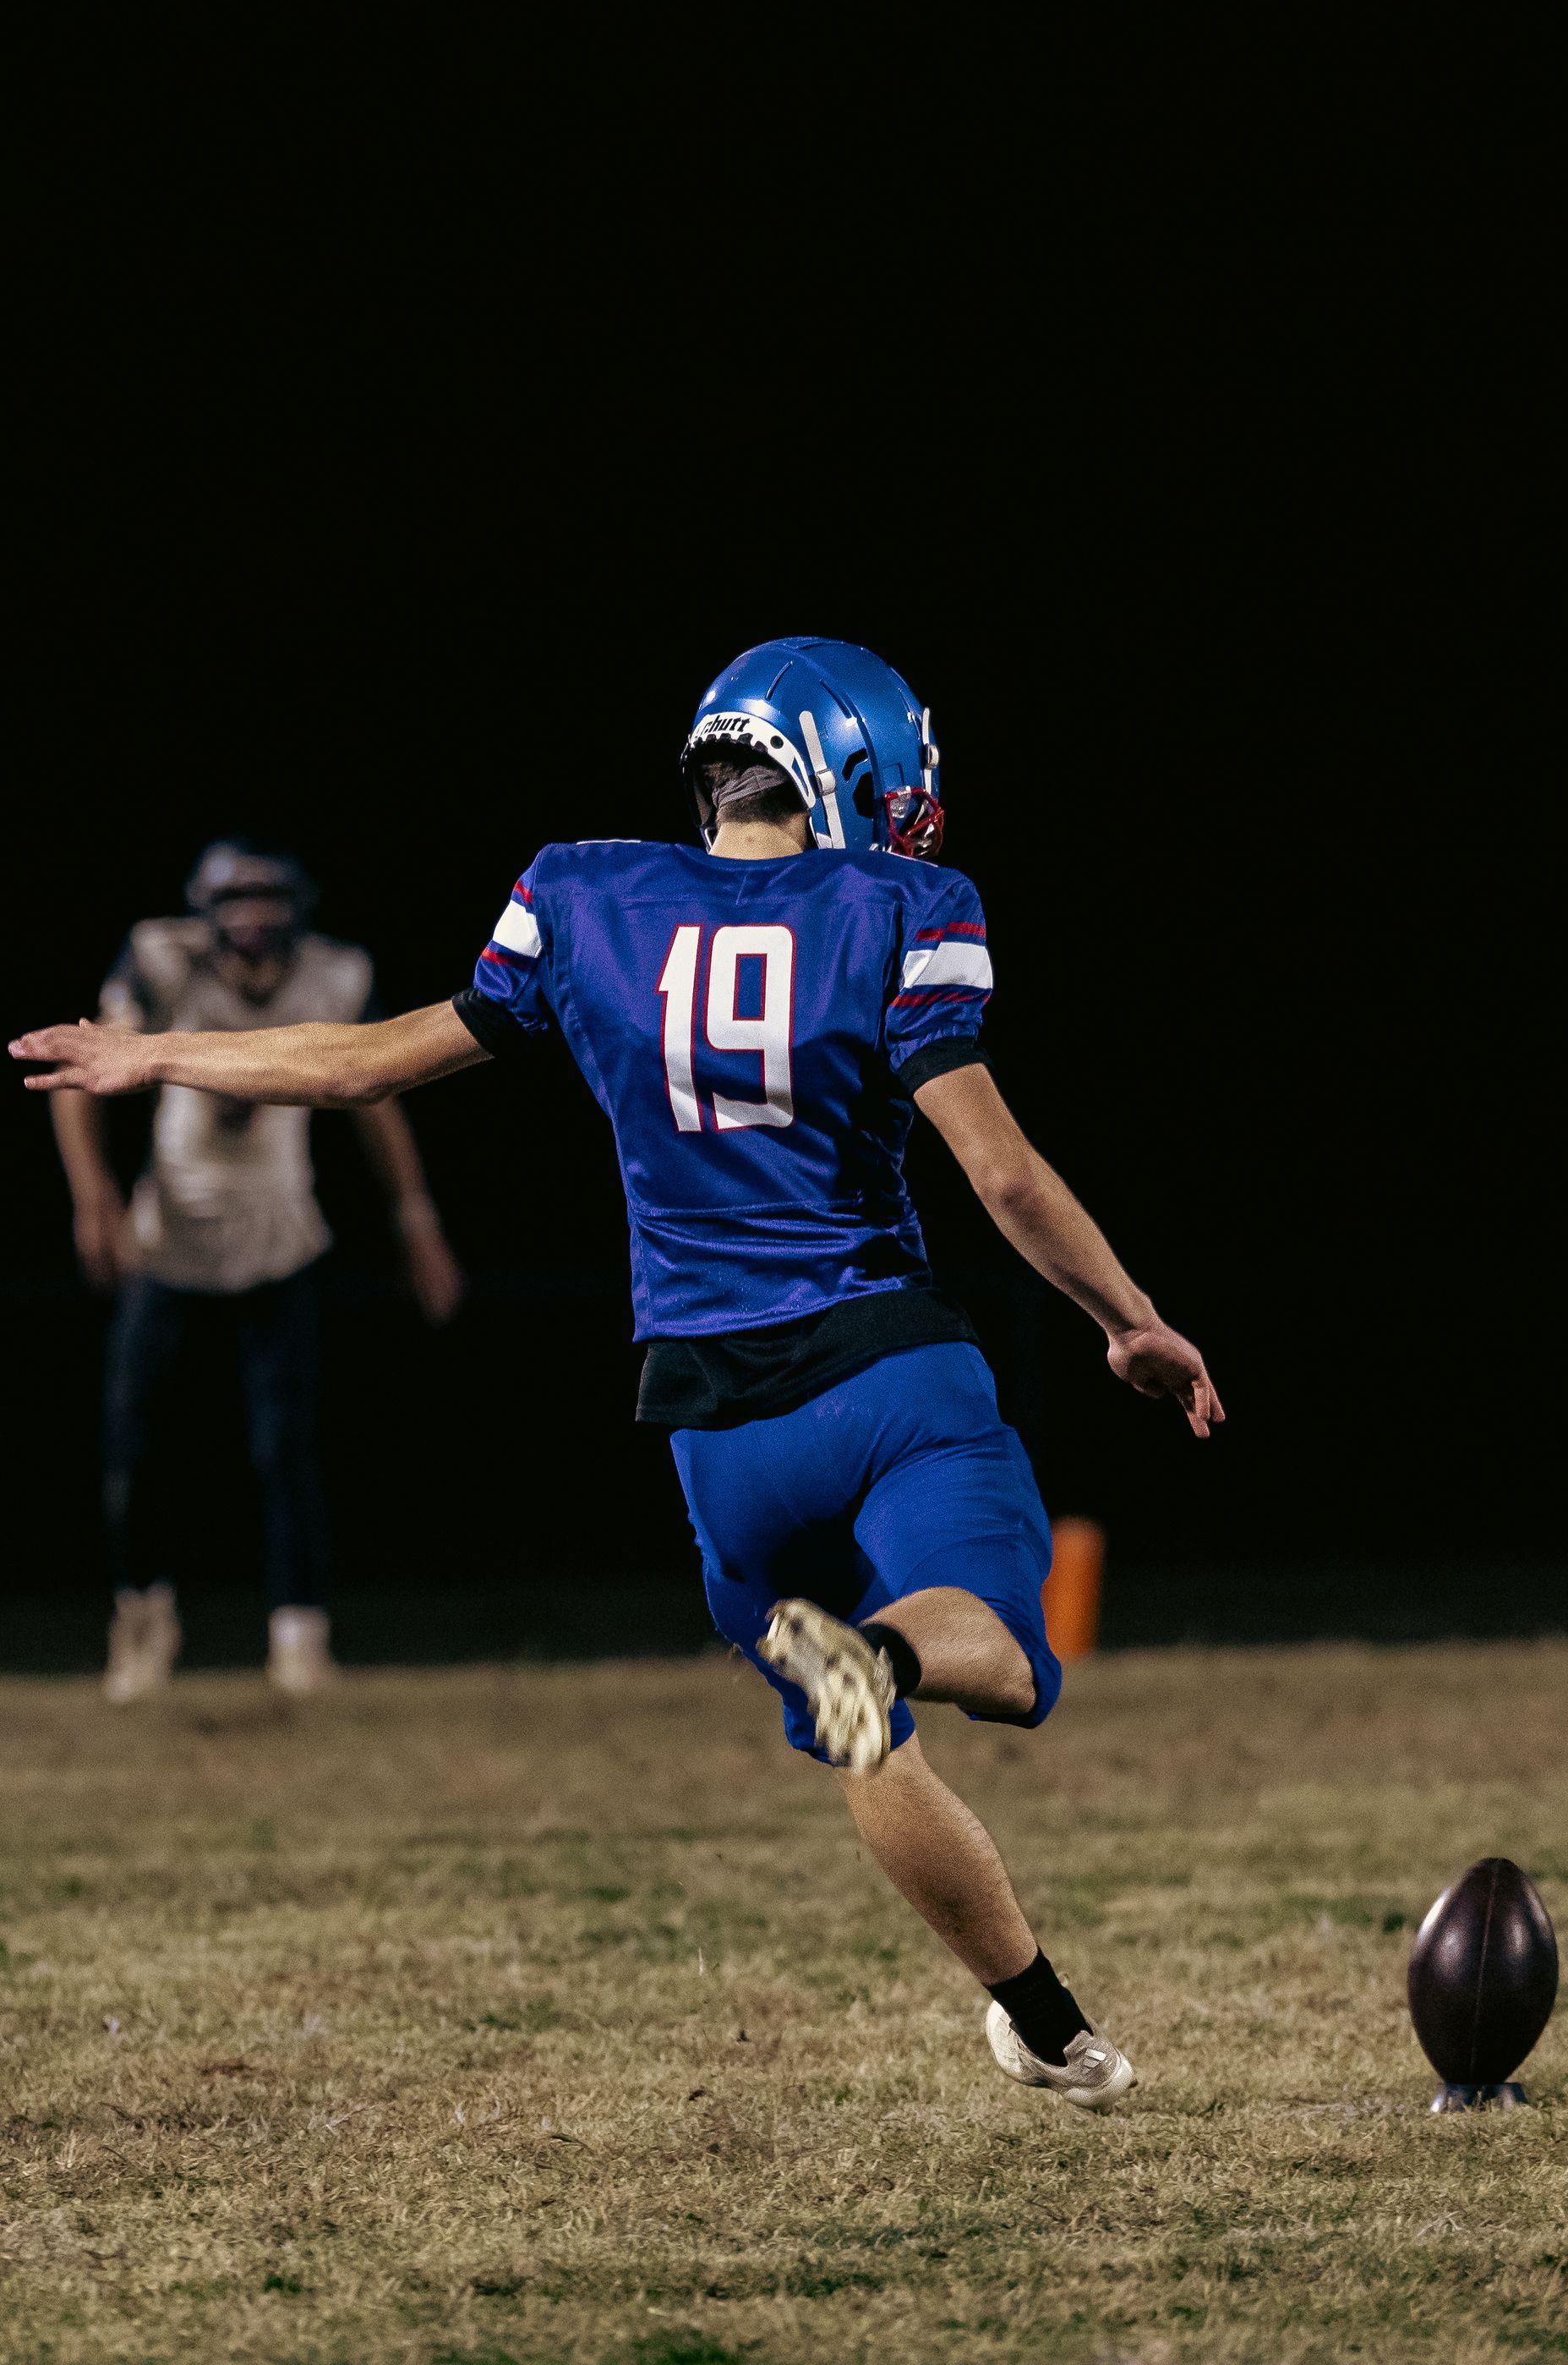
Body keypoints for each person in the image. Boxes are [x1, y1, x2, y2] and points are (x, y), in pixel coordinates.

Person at [14, 641, 1221, 2111]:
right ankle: (893, 1651)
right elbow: (1004, 1174)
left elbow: (364, 1064)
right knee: (1005, 1660)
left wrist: (157, 1057)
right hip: (880, 1363)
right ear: (848, 763)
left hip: (712, 1428)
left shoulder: (584, 896)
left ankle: (1048, 2028)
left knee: (862, 1744)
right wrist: (1129, 1319)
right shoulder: (906, 905)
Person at [46, 838, 464, 1700]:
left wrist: (414, 1216)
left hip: (281, 1234)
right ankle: (142, 1622)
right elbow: (81, 1073)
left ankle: (300, 1634)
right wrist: (93, 1197)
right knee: (138, 1448)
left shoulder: (334, 975)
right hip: (171, 1236)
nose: (256, 931)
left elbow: (371, 1094)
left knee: (289, 1449)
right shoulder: (161, 960)